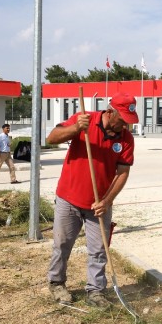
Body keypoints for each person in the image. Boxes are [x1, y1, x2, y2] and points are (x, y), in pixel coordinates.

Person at [45, 92, 138, 308]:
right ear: (110, 111)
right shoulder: (85, 120)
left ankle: (95, 291)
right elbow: (51, 138)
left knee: (98, 249)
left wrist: (106, 201)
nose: (125, 126)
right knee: (62, 243)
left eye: (128, 121)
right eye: (122, 120)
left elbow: (122, 172)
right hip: (69, 197)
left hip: (99, 205)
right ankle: (56, 283)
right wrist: (76, 128)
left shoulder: (126, 139)